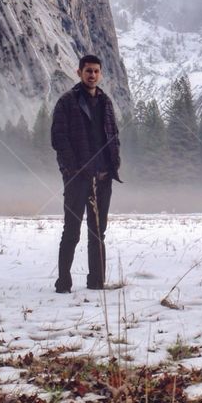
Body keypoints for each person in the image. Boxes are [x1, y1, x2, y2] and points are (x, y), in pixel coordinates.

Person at [50, 54, 122, 293]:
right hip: (77, 179)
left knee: (98, 232)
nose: (92, 75)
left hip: (103, 178)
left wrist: (114, 164)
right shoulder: (67, 102)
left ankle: (97, 281)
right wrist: (72, 170)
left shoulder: (106, 102)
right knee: (71, 230)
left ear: (100, 74)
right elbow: (59, 140)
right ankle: (63, 284)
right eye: (88, 70)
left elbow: (113, 135)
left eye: (96, 71)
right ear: (79, 72)